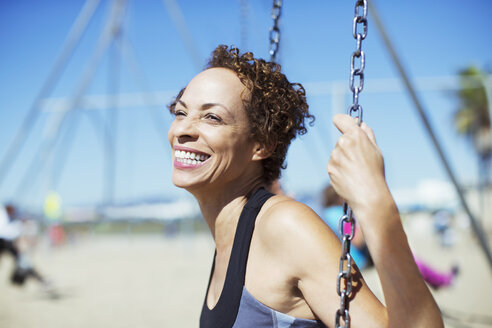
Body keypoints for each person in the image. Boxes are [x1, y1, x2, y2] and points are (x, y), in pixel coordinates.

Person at [167, 45, 444, 327]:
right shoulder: (232, 233)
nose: (182, 130)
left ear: (261, 144)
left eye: (212, 117)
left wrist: (376, 203)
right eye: (180, 112)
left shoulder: (285, 226)